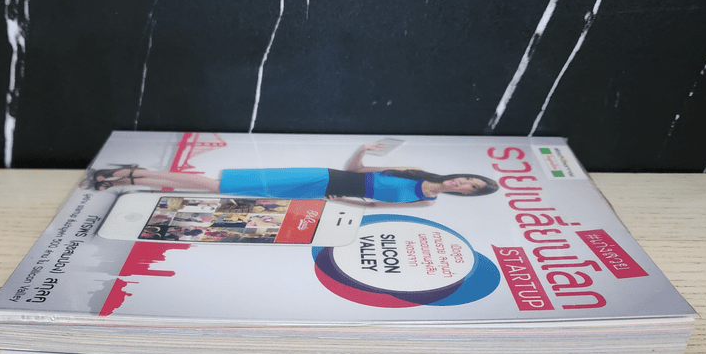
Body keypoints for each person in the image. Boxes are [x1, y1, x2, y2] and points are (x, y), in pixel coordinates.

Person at [80, 142, 498, 207]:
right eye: (469, 178)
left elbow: (369, 206)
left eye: (471, 188)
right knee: (215, 185)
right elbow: (356, 172)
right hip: (318, 175)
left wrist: (341, 202)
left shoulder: (425, 201)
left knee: (218, 192)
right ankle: (132, 175)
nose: (464, 183)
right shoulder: (416, 172)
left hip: (317, 194)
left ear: (466, 195)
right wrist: (364, 151)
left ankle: (131, 178)